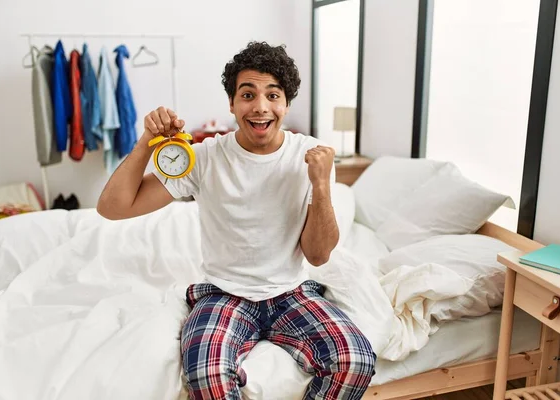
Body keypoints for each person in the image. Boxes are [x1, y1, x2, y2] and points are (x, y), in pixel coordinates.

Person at [97, 41, 376, 400]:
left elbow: (319, 255)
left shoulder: (310, 156)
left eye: (273, 95)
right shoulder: (205, 157)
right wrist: (145, 144)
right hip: (224, 294)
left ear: (286, 104)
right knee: (206, 373)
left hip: (290, 293)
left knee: (356, 361)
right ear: (232, 102)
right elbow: (113, 207)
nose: (260, 107)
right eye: (248, 94)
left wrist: (321, 184)